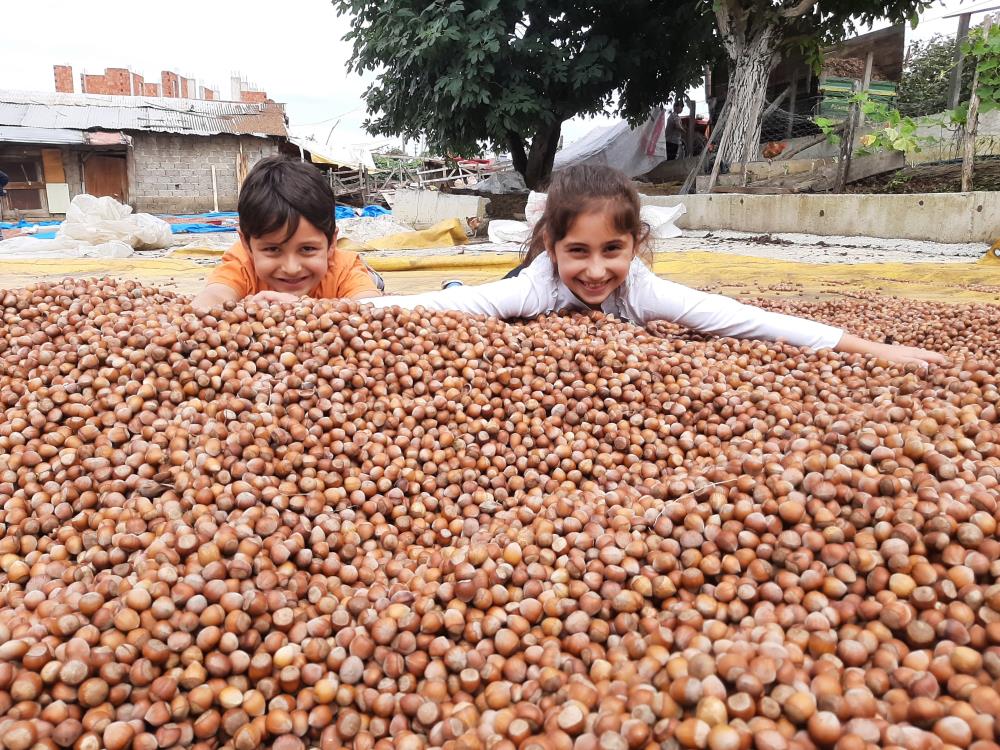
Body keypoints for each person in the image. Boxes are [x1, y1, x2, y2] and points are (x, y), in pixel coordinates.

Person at [364, 165, 946, 369]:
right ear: (550, 246)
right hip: (505, 286)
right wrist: (342, 313)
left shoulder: (642, 291)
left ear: (635, 245)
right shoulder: (533, 288)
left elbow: (740, 318)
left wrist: (873, 350)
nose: (595, 271)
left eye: (611, 251)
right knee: (475, 299)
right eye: (577, 252)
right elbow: (435, 308)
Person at [191, 157, 381, 313]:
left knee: (372, 285)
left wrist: (302, 308)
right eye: (273, 249)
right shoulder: (241, 264)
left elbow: (373, 309)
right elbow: (210, 299)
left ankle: (373, 277)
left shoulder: (344, 269)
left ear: (331, 243)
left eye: (307, 249)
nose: (291, 268)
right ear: (247, 245)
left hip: (347, 272)